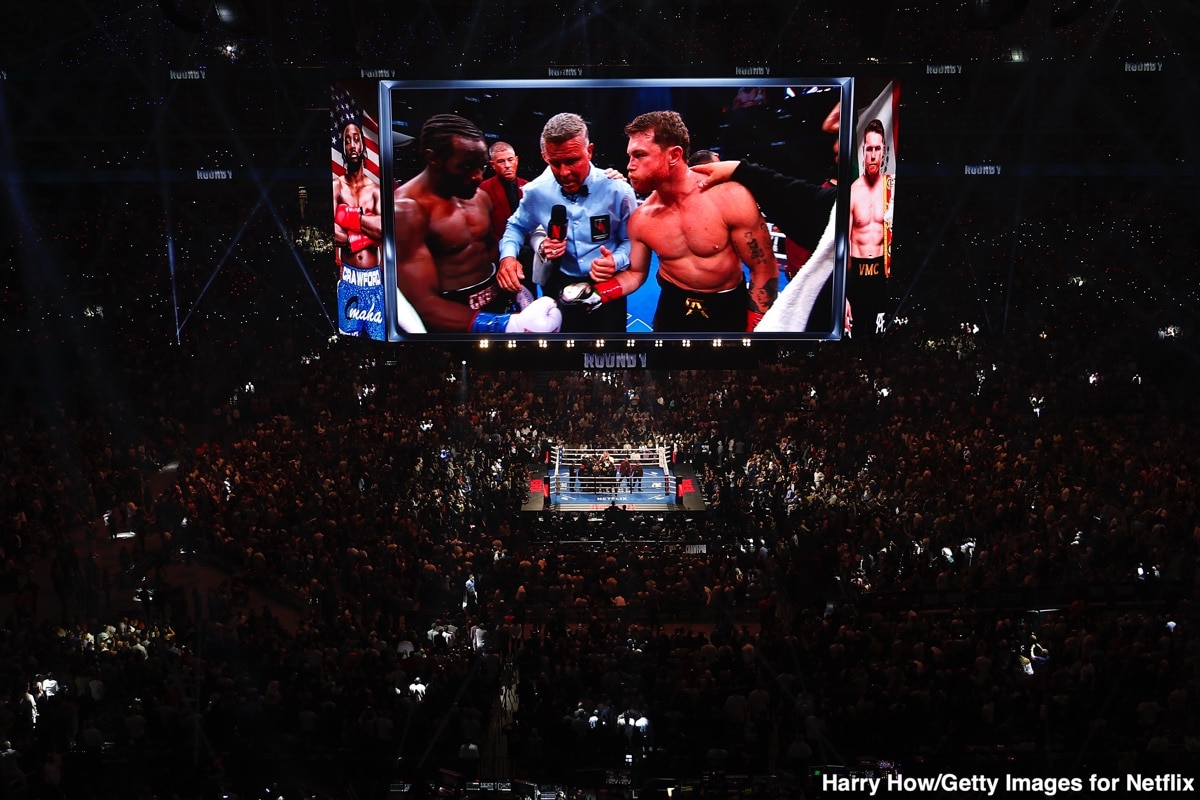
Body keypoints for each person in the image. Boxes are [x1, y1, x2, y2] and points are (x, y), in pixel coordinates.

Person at [393, 114, 561, 334]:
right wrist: (505, 325)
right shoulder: (407, 210)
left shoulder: (478, 196)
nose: (477, 177)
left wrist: (514, 285)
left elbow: (490, 249)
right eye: (466, 167)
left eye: (481, 167)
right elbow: (423, 303)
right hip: (453, 319)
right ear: (433, 159)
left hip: (498, 301)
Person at [622, 110, 778, 332]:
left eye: (639, 155)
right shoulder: (641, 218)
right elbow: (636, 273)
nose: (630, 165)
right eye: (630, 156)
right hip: (672, 305)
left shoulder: (729, 197)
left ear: (674, 155)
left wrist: (754, 331)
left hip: (727, 306)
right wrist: (601, 292)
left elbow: (764, 269)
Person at [495, 113, 638, 333]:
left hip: (608, 283)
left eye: (572, 161)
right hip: (558, 283)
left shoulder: (618, 190)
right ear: (545, 157)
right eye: (555, 163)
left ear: (589, 151)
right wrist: (508, 257)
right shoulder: (536, 191)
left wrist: (615, 261)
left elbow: (630, 240)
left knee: (611, 353)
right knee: (561, 355)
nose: (564, 172)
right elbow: (515, 227)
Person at [690, 158, 838, 332]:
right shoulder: (654, 214)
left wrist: (756, 321)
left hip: (730, 301)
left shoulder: (739, 208)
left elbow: (763, 267)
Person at [333, 116, 385, 339]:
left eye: (356, 139)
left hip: (374, 279)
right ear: (343, 147)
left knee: (378, 338)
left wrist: (347, 216)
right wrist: (366, 231)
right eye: (347, 141)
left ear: (363, 145)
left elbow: (384, 231)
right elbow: (333, 233)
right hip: (349, 278)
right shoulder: (336, 187)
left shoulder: (375, 190)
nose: (352, 145)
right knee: (349, 342)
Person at [848, 118, 894, 333]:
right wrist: (843, 295)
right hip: (856, 274)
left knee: (880, 339)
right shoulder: (852, 192)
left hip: (882, 276)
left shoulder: (891, 189)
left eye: (877, 148)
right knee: (855, 337)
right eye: (869, 149)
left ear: (883, 149)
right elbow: (843, 248)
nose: (873, 155)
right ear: (863, 151)